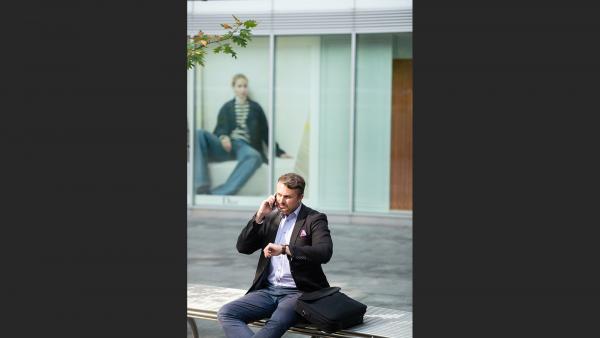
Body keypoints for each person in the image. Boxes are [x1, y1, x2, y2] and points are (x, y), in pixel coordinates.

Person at [217, 173, 333, 338]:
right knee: (227, 312)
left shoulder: (314, 219)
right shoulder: (271, 217)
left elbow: (324, 252)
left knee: (275, 322)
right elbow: (243, 247)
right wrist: (259, 216)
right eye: (279, 194)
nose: (281, 200)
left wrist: (286, 249)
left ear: (300, 197)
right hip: (267, 291)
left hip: (299, 293)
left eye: (287, 197)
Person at [194, 74, 290, 195]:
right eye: (239, 86)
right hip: (226, 146)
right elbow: (219, 129)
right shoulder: (226, 107)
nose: (243, 89)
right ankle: (201, 186)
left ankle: (219, 193)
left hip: (245, 147)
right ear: (233, 88)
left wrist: (278, 151)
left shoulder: (256, 108)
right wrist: (223, 137)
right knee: (198, 133)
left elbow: (266, 132)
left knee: (255, 156)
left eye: (245, 86)